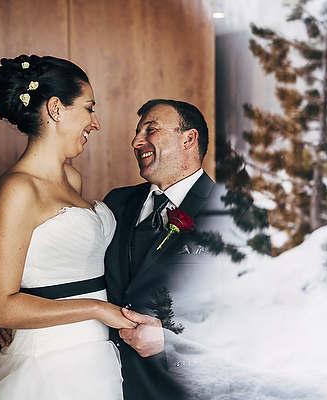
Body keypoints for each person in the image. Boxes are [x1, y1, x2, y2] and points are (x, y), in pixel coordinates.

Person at [0, 54, 151, 400]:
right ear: (57, 108)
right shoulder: (18, 189)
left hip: (94, 356)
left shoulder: (71, 178)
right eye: (89, 108)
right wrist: (97, 308)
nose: (95, 122)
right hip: (48, 362)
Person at [103, 99, 269, 400]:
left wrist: (169, 341)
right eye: (138, 132)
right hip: (109, 381)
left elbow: (251, 314)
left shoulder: (239, 215)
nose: (136, 141)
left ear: (188, 139)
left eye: (150, 130)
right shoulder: (114, 204)